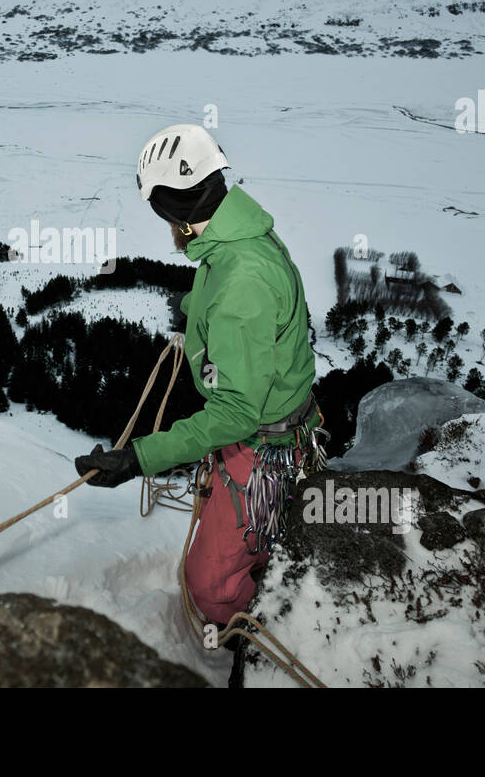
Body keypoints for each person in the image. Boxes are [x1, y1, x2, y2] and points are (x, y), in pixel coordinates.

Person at [75, 123, 321, 627]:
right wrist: (192, 306)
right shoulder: (238, 236)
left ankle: (248, 647)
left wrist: (139, 458)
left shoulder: (241, 281)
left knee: (209, 588)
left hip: (260, 451)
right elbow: (228, 296)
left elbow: (234, 413)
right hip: (273, 429)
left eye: (161, 212)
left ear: (177, 213)